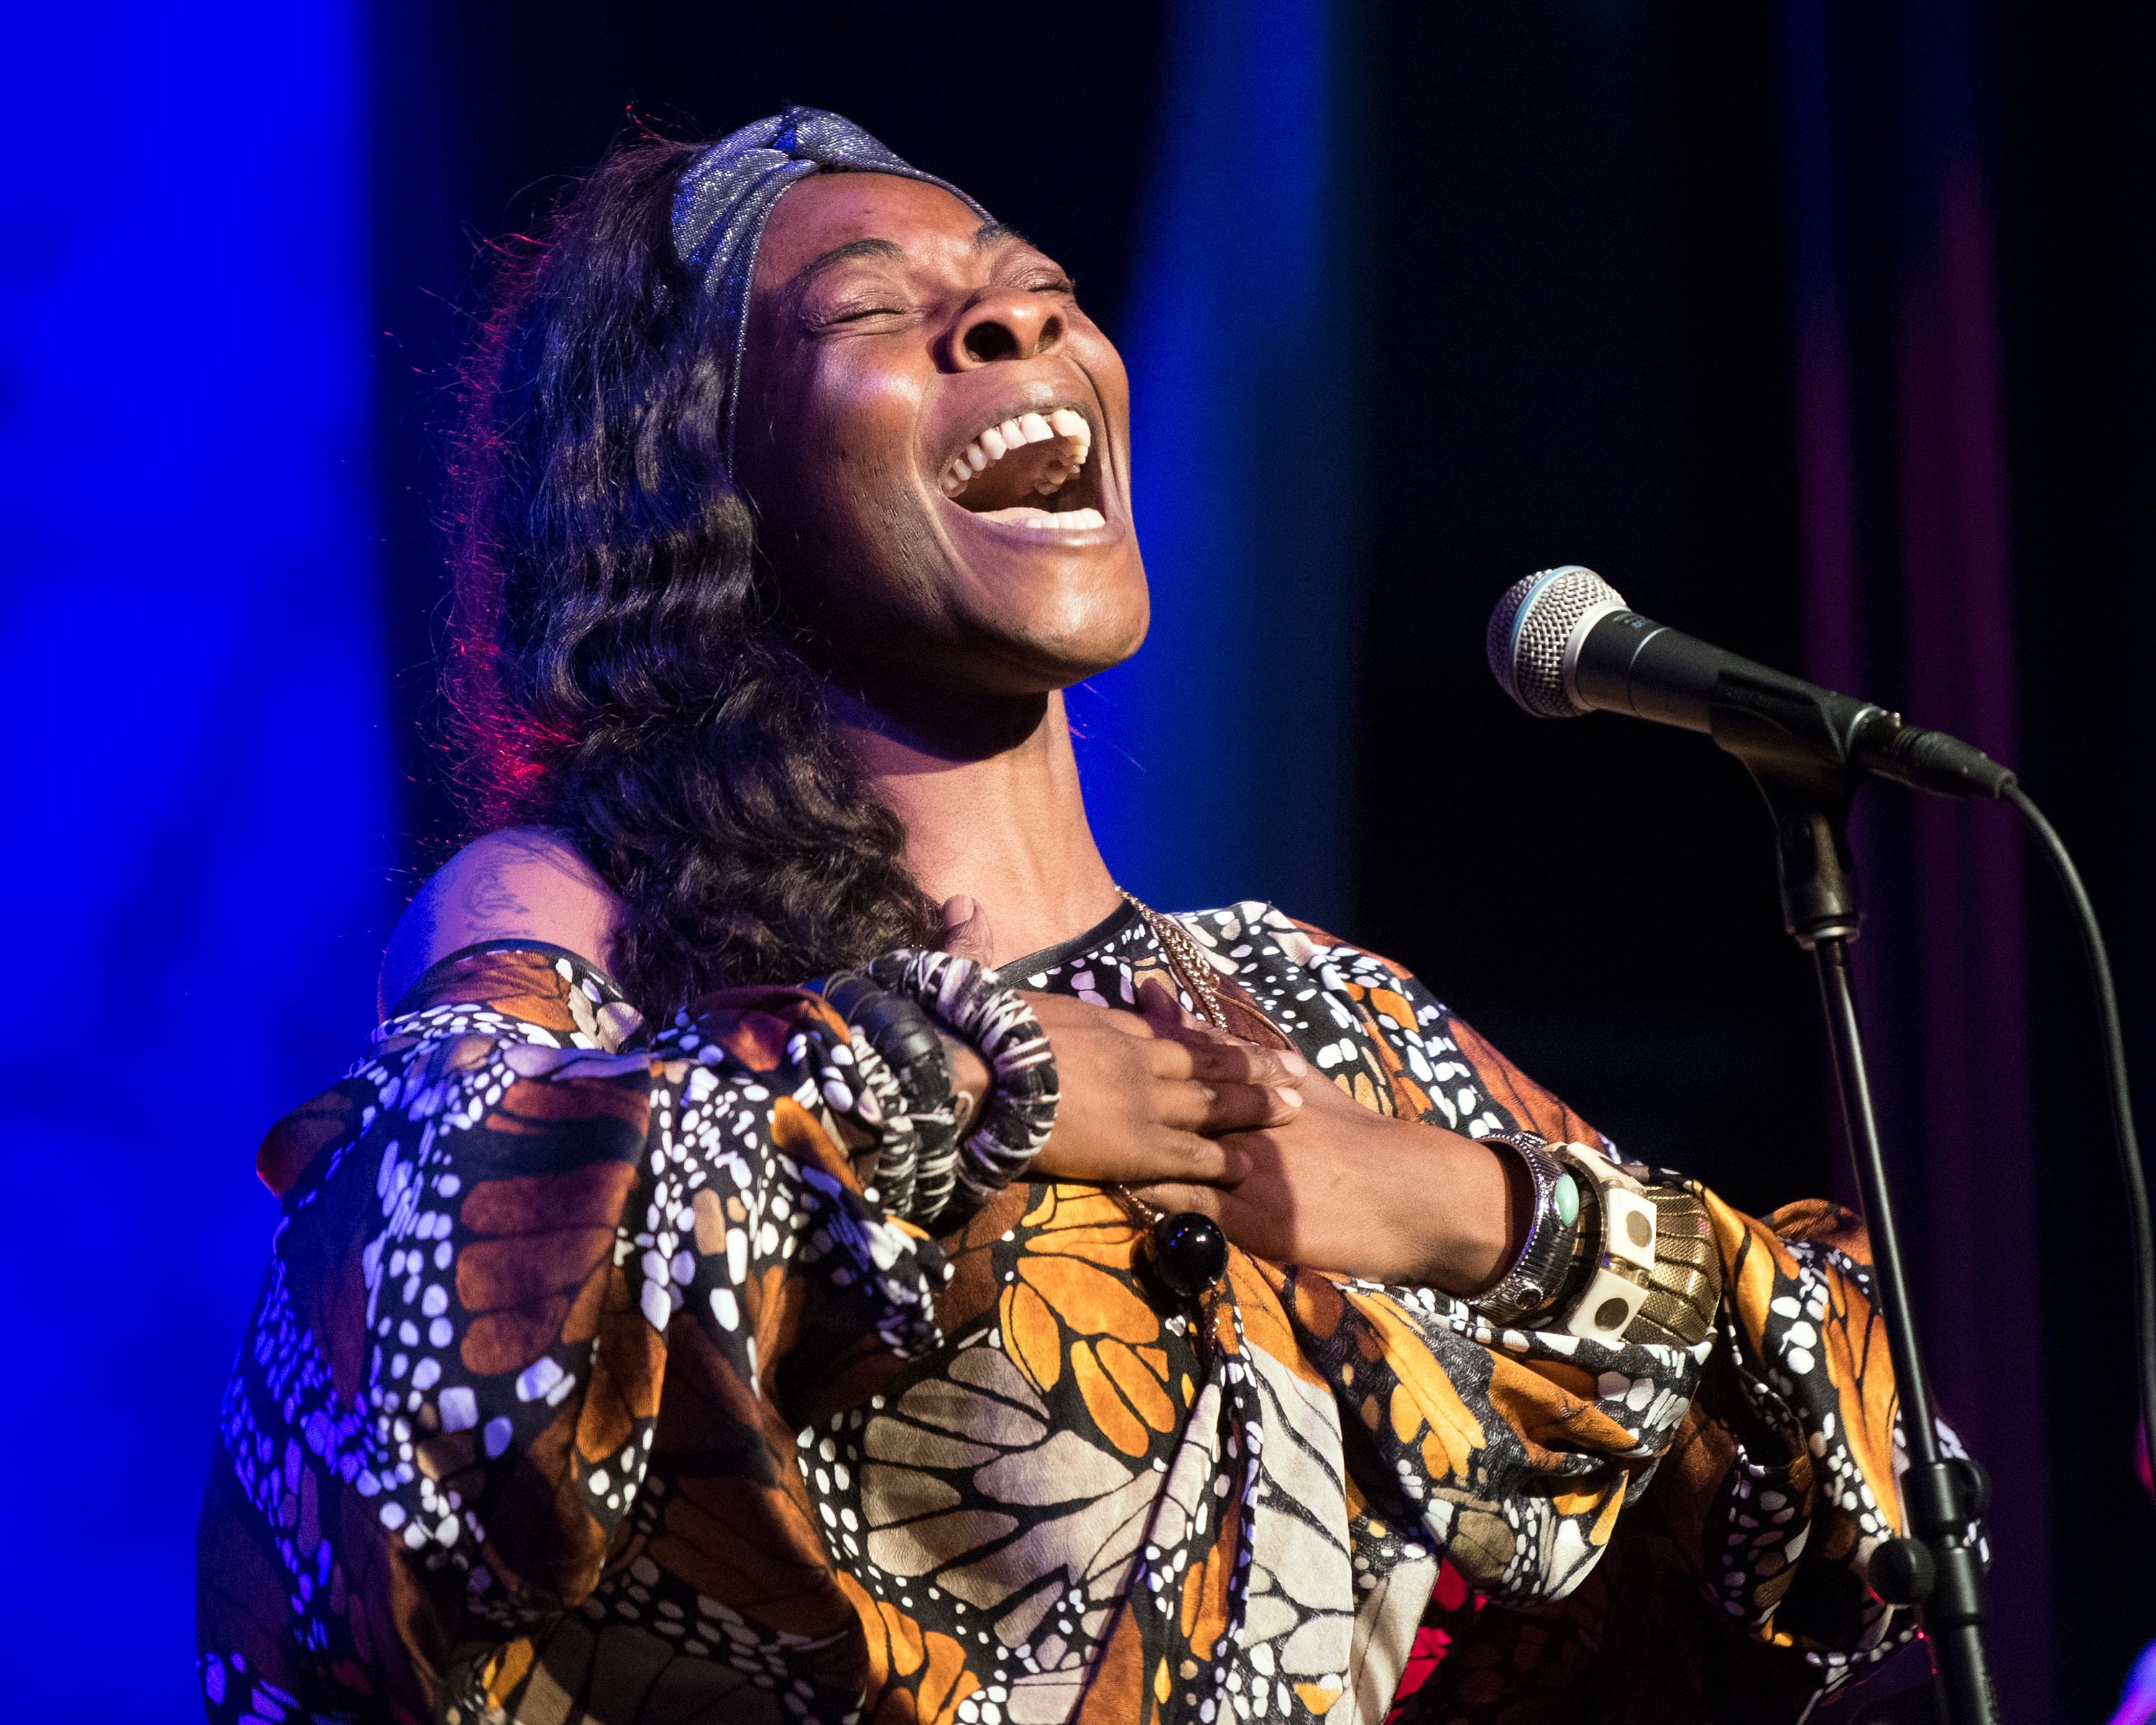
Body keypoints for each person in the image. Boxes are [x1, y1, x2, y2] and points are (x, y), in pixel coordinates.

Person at [197, 110, 1933, 1725]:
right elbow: (394, 1371)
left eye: (1043, 296)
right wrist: (949, 1089)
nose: (1015, 330)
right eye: (879, 313)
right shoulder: (591, 922)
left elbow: (1877, 1480)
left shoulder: (1306, 1013)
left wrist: (1466, 1207)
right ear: (705, 486)